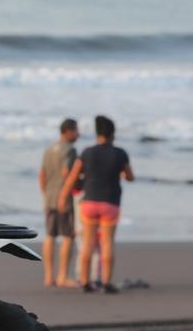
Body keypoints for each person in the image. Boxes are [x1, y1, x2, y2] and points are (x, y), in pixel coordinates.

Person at [59, 115, 134, 294]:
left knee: (88, 243)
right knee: (107, 243)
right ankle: (106, 282)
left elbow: (72, 177)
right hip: (110, 202)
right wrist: (120, 173)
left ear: (97, 133)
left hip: (89, 202)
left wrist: (62, 197)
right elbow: (130, 177)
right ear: (113, 133)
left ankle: (85, 282)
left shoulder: (87, 152)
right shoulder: (120, 153)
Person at [39, 118, 80, 288]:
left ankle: (49, 276)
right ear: (68, 131)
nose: (78, 134)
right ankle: (63, 275)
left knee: (50, 235)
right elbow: (66, 173)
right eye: (76, 130)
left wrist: (46, 193)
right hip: (64, 197)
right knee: (68, 236)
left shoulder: (49, 149)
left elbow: (42, 174)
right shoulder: (70, 150)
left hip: (50, 196)